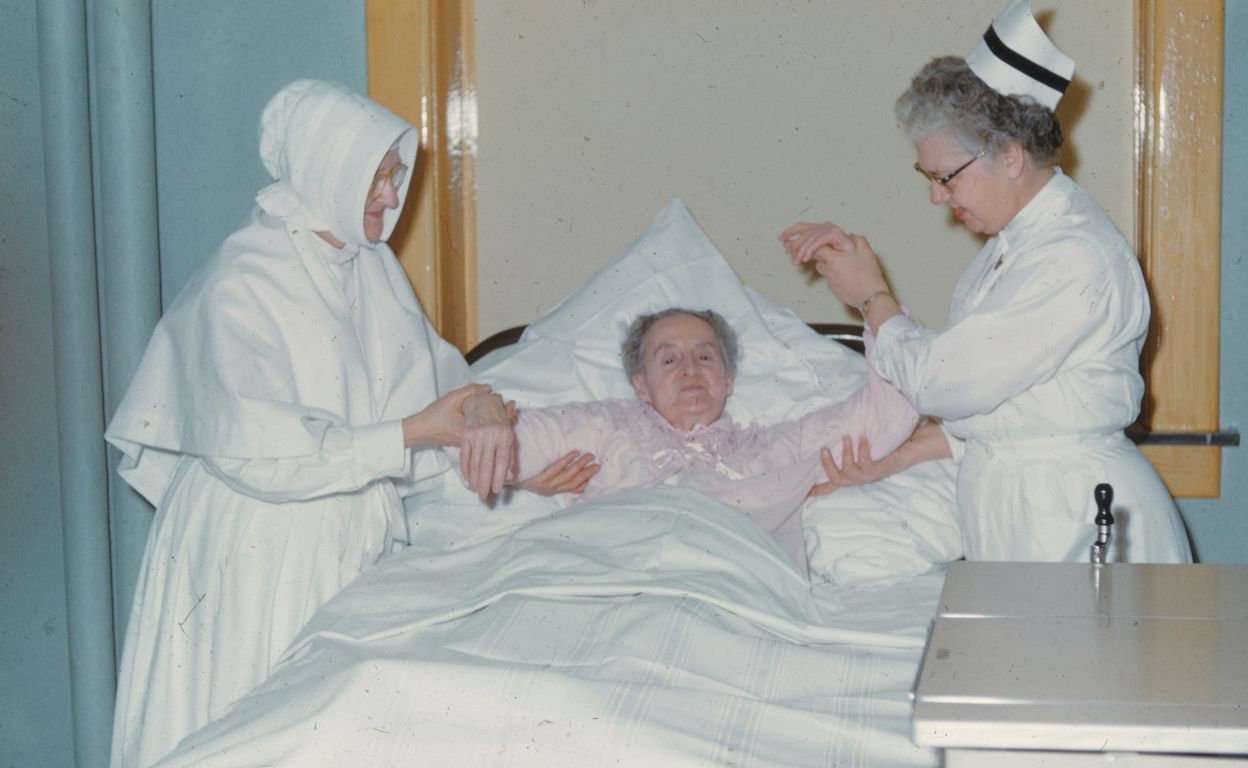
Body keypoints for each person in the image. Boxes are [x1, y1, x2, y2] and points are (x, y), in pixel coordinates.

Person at [103, 80, 521, 767]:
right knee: (243, 726)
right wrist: (416, 431)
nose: (392, 197)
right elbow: (264, 453)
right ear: (330, 170)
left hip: (338, 536)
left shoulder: (371, 268)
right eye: (376, 179)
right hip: (254, 547)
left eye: (393, 176)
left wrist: (481, 411)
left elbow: (441, 382)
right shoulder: (244, 275)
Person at [778, 0, 1192, 564]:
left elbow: (942, 383)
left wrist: (872, 296)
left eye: (946, 177)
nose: (937, 196)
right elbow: (997, 410)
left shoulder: (1074, 256)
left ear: (1011, 157)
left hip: (1069, 513)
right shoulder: (1009, 249)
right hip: (1019, 510)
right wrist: (889, 461)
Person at [453, 308, 944, 576]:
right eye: (668, 360)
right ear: (640, 386)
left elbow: (889, 411)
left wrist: (870, 296)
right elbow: (502, 441)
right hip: (609, 578)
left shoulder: (777, 447)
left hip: (732, 591)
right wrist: (485, 414)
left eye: (706, 358)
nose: (690, 370)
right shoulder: (604, 427)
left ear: (728, 380)